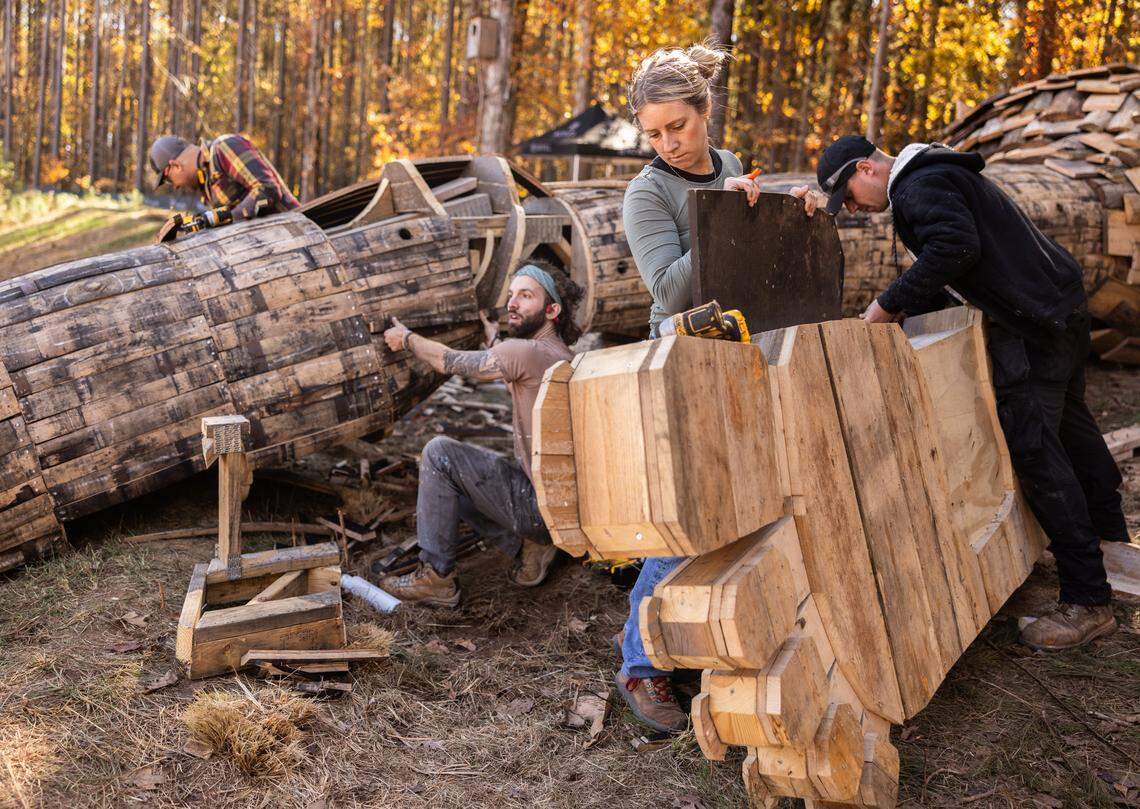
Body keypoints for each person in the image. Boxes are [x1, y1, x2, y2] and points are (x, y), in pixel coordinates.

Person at [792, 135, 1128, 651]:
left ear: (866, 168)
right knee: (1072, 427)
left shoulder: (917, 188)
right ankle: (1111, 542)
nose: (858, 209)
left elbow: (955, 247)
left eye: (852, 197)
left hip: (1035, 324)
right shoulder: (937, 173)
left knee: (1035, 449)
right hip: (1060, 305)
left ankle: (1088, 598)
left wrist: (888, 306)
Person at [615, 42, 765, 734]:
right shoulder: (646, 192)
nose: (668, 143)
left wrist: (761, 213)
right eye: (653, 133)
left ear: (706, 112)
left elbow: (743, 258)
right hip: (674, 365)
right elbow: (666, 291)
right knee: (684, 517)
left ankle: (706, 643)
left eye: (678, 126)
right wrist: (716, 215)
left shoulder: (730, 165)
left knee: (737, 507)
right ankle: (641, 665)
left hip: (735, 353)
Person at [374, 260, 582, 607]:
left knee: (440, 456)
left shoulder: (525, 353)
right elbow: (507, 360)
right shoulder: (559, 354)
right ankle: (532, 546)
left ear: (552, 309)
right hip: (559, 506)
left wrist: (407, 339)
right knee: (472, 473)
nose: (512, 303)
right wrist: (493, 337)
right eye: (512, 295)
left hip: (537, 508)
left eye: (526, 296)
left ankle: (437, 578)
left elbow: (449, 362)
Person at [148, 133, 300, 225]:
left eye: (169, 180)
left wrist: (223, 217)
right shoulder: (206, 182)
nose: (174, 186)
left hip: (298, 231)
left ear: (175, 166)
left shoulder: (224, 147)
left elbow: (267, 190)